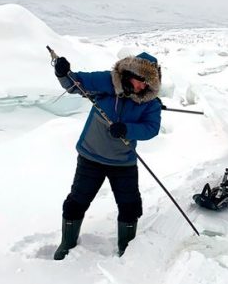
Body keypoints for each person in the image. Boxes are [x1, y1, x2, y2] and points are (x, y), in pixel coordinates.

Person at [52, 52, 162, 260]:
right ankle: (67, 243)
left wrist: (127, 129)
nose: (143, 87)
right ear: (130, 74)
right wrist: (62, 72)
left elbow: (151, 128)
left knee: (130, 206)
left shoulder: (151, 103)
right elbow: (75, 84)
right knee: (77, 201)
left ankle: (126, 249)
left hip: (123, 161)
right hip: (91, 155)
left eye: (148, 83)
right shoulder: (108, 81)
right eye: (141, 81)